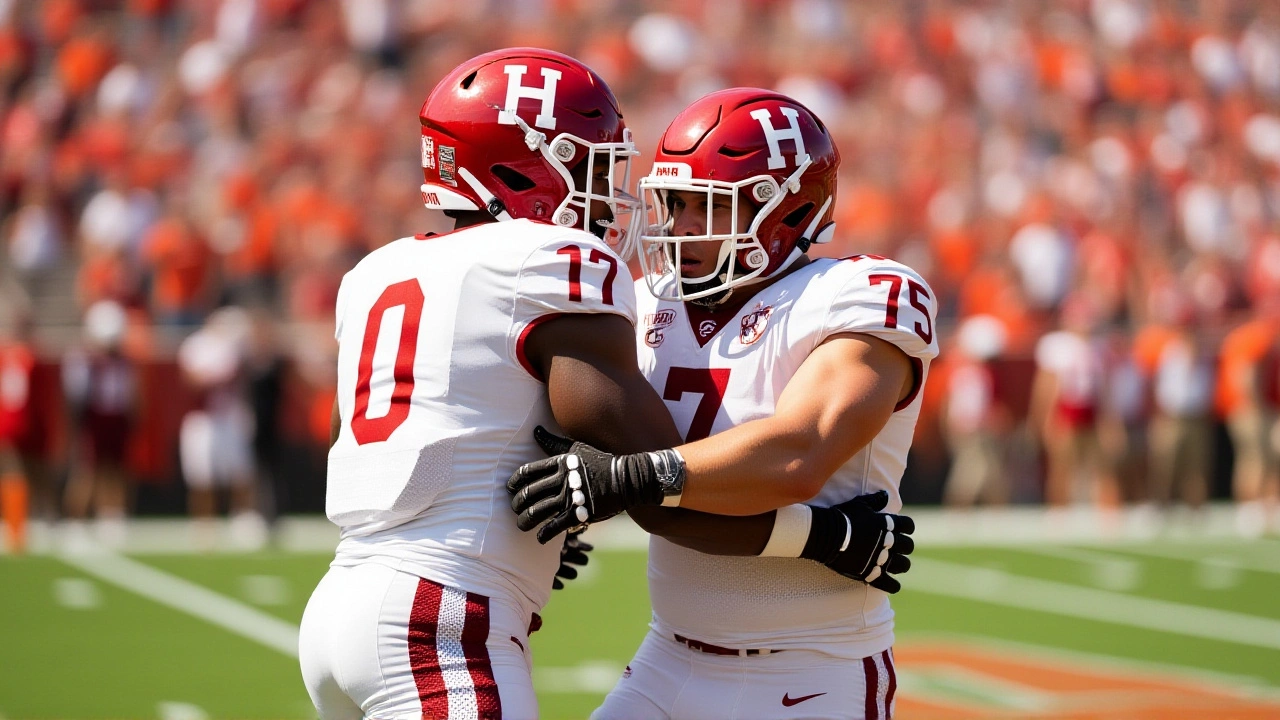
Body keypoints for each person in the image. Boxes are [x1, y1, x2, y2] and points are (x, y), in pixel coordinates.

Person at [509, 88, 937, 719]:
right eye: (674, 204)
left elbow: (799, 453)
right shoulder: (649, 297)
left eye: (704, 209)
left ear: (783, 210)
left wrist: (623, 480)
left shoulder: (859, 296)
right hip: (668, 656)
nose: (678, 227)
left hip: (811, 669)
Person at [298, 48, 682, 720]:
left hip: (341, 603)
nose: (606, 188)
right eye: (589, 163)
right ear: (519, 163)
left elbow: (354, 441)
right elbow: (652, 453)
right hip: (435, 617)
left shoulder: (377, 271)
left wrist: (524, 514)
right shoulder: (550, 257)